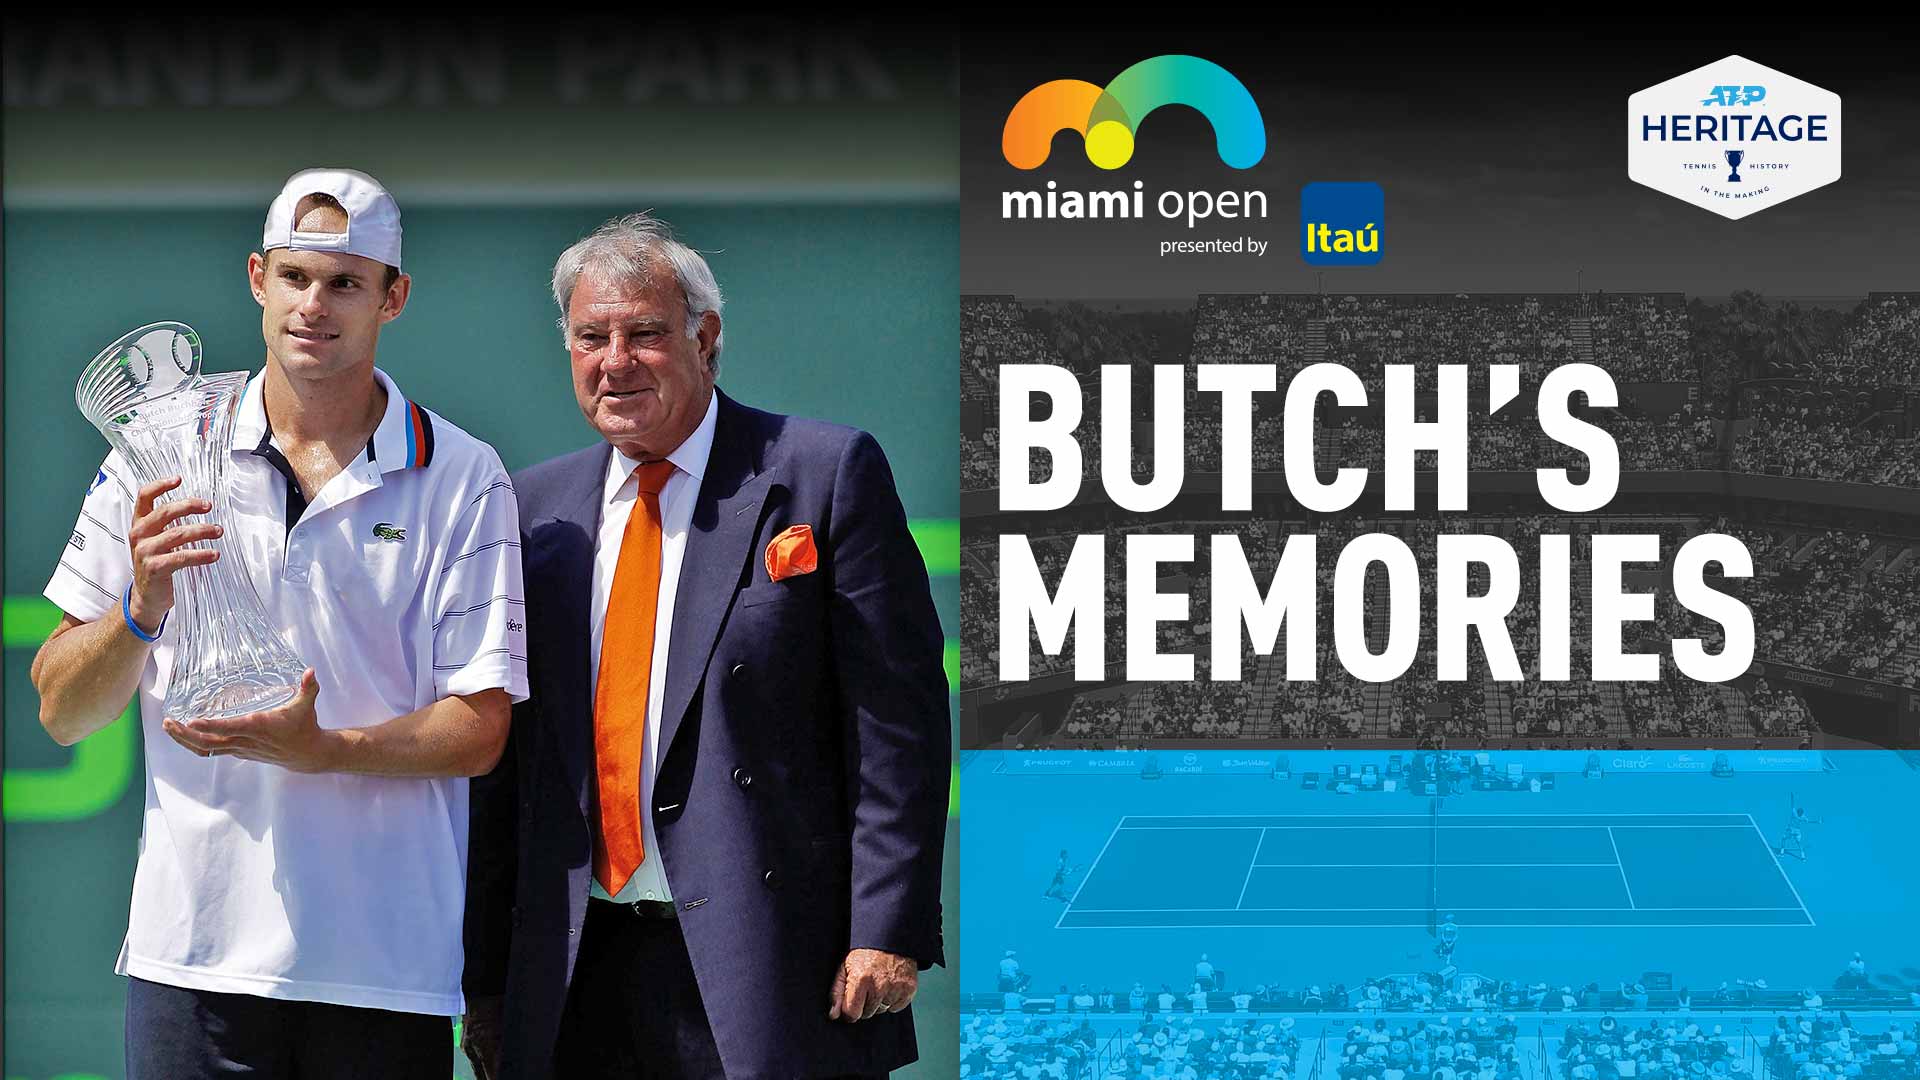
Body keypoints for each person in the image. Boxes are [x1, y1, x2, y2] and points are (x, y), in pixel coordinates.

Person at [31, 168, 525, 1078]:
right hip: (191, 963)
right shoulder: (159, 445)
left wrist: (323, 748)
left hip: (386, 974)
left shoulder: (465, 474)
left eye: (346, 282)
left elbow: (481, 728)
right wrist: (140, 608)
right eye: (296, 277)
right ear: (257, 279)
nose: (315, 305)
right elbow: (62, 708)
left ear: (394, 297)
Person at [461, 213, 948, 1080]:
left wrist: (885, 930)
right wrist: (487, 983)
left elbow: (896, 722)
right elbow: (504, 773)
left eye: (644, 333)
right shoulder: (533, 511)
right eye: (590, 337)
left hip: (767, 965)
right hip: (576, 969)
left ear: (705, 338)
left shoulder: (822, 472)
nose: (616, 360)